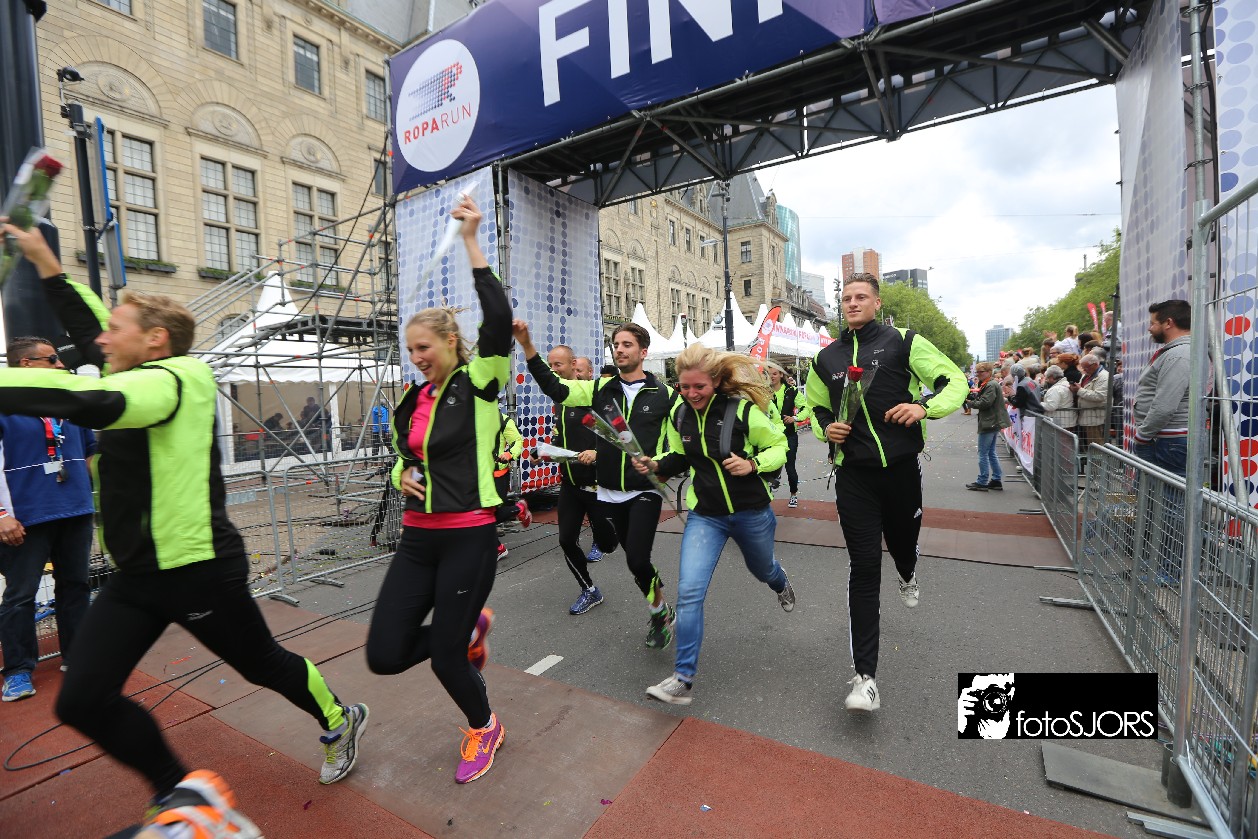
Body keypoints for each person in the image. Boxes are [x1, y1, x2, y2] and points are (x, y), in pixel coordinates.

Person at [0, 219, 368, 814]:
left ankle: (339, 717)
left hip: (199, 570)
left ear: (155, 340)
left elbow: (89, 401)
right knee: (81, 701)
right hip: (137, 578)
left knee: (261, 665)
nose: (100, 340)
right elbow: (89, 324)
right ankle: (180, 792)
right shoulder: (131, 364)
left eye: (117, 330)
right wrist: (45, 261)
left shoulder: (178, 377)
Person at [366, 196, 507, 784]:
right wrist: (400, 472)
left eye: (424, 347)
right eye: (410, 350)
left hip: (469, 536)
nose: (417, 357)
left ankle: (485, 726)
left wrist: (472, 240)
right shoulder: (412, 399)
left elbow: (497, 318)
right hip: (418, 539)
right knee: (384, 655)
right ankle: (467, 629)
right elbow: (405, 455)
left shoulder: (480, 381)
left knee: (446, 659)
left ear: (451, 341)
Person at [804, 273, 966, 713]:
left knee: (902, 545)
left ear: (877, 303)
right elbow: (813, 406)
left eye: (861, 297)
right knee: (863, 566)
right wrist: (826, 428)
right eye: (846, 298)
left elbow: (955, 381)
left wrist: (923, 407)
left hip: (900, 471)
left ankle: (908, 572)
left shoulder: (903, 341)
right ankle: (865, 679)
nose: (852, 303)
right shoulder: (826, 357)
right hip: (853, 477)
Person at [634, 343, 794, 705]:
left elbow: (778, 446)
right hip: (705, 516)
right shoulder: (680, 414)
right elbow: (679, 456)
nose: (691, 394)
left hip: (751, 512)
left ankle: (780, 581)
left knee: (763, 569)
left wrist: (753, 464)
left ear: (717, 382)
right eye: (684, 387)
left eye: (699, 387)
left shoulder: (742, 411)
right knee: (690, 592)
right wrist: (656, 464)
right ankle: (682, 678)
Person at [515, 319, 680, 649]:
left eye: (627, 344)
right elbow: (556, 388)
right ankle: (660, 606)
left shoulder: (666, 395)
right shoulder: (599, 390)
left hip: (644, 490)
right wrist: (527, 345)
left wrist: (660, 464)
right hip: (607, 492)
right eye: (616, 345)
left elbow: (678, 447)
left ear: (643, 352)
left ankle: (658, 613)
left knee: (637, 559)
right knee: (632, 560)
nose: (619, 349)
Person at [0, 338, 96, 702]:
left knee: (76, 586)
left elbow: (88, 453)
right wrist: (1, 515)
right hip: (25, 518)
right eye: (52, 359)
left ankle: (77, 657)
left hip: (75, 511)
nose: (60, 365)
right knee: (20, 596)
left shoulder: (68, 402)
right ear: (25, 364)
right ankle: (18, 671)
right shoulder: (5, 404)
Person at [534, 344, 618, 612]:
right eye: (550, 366)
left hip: (598, 486)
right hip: (570, 485)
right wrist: (544, 452)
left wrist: (598, 452)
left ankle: (610, 536)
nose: (553, 370)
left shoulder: (597, 399)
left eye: (557, 365)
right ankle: (589, 590)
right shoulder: (561, 403)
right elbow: (562, 439)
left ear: (574, 366)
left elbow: (620, 439)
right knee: (566, 540)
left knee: (608, 543)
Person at [1133, 300, 1190, 477]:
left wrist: (1143, 435)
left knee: (1164, 492)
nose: (1149, 328)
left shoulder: (1178, 355)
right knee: (1157, 491)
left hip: (1167, 441)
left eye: (1153, 323)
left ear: (1168, 323)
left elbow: (1165, 405)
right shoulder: (1177, 353)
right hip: (1165, 439)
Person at [767, 366, 810, 508]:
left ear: (781, 374)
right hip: (771, 436)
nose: (771, 376)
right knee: (769, 465)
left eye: (774, 373)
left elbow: (806, 408)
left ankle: (793, 494)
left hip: (789, 435)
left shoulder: (791, 391)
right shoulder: (764, 392)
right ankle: (772, 483)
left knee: (790, 467)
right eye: (769, 374)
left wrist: (795, 418)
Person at [492, 410, 532, 561]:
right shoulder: (472, 418)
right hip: (478, 475)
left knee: (490, 514)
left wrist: (508, 454)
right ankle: (497, 547)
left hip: (498, 474)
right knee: (476, 512)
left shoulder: (503, 420)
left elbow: (517, 441)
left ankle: (519, 509)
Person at [964, 361, 1010, 492]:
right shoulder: (990, 384)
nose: (978, 374)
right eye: (977, 372)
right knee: (990, 452)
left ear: (989, 372)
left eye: (981, 372)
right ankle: (996, 479)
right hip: (993, 421)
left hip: (990, 422)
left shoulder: (990, 385)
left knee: (983, 453)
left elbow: (985, 403)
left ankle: (982, 481)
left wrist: (970, 403)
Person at [1072, 354, 1110, 450]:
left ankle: (1097, 460)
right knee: (1091, 446)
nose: (1084, 370)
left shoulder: (1104, 376)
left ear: (1095, 365)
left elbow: (1100, 396)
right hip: (1087, 417)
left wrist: (1079, 390)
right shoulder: (1087, 375)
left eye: (1086, 367)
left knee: (1096, 446)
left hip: (1095, 418)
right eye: (1082, 368)